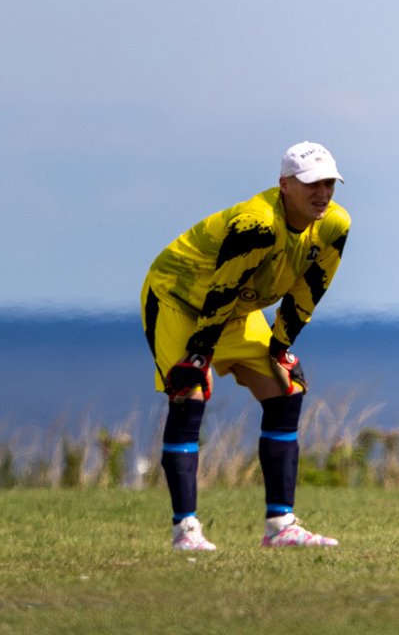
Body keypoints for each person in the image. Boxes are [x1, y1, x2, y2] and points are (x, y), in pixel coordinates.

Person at [140, 141, 350, 550]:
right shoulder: (257, 224)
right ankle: (186, 531)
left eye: (329, 182)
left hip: (235, 307)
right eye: (311, 183)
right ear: (284, 185)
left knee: (286, 389)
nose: (322, 192)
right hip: (179, 299)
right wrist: (199, 353)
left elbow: (310, 289)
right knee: (189, 393)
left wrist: (281, 347)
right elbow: (221, 289)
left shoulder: (335, 224)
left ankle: (281, 526)